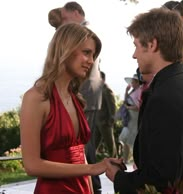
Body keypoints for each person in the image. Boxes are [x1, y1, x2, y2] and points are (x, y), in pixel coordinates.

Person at [105, 8, 183, 194]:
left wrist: (118, 177)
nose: (134, 55)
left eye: (136, 45)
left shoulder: (164, 97)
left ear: (152, 44)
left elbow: (161, 178)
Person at [20, 23, 123, 194]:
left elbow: (80, 155)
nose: (91, 61)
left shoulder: (75, 98)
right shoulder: (36, 98)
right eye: (86, 53)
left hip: (81, 188)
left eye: (93, 55)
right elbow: (32, 165)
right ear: (66, 50)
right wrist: (92, 168)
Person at [61, 2, 104, 193]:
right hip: (90, 92)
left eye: (65, 17)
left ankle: (90, 185)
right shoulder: (88, 31)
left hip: (85, 92)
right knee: (87, 143)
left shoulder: (84, 34)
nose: (64, 22)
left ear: (76, 13)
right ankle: (93, 185)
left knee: (83, 144)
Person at [119, 74, 141, 164]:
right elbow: (126, 101)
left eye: (133, 82)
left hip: (135, 118)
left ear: (137, 82)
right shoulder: (133, 91)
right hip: (130, 119)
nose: (131, 83)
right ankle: (125, 159)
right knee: (126, 139)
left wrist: (129, 108)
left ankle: (134, 160)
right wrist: (126, 91)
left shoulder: (140, 92)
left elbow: (138, 107)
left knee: (132, 140)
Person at [94, 71, 117, 158]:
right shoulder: (98, 89)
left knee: (110, 145)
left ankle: (115, 161)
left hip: (105, 122)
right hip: (97, 122)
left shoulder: (107, 90)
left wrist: (111, 120)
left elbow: (112, 106)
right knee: (94, 144)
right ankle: (90, 162)